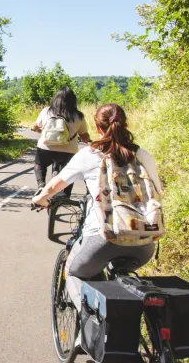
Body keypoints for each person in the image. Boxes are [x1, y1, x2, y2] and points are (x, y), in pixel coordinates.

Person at [30, 103, 163, 280]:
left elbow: (54, 185)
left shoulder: (90, 154)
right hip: (144, 242)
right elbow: (158, 191)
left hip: (104, 238)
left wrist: (41, 199)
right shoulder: (143, 155)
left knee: (72, 271)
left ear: (98, 127)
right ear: (126, 126)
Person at [31, 87, 90, 198]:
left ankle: (41, 185)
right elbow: (84, 136)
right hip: (68, 151)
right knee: (70, 172)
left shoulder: (46, 111)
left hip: (46, 148)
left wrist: (36, 129)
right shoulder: (78, 116)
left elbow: (36, 126)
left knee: (40, 164)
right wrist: (87, 139)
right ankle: (64, 194)